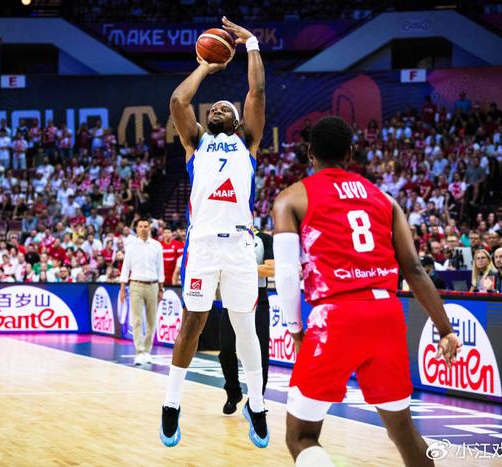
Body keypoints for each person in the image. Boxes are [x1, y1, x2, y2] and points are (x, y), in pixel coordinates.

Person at [272, 116, 461, 466]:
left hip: (336, 316)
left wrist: (295, 330)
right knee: (403, 430)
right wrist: (445, 329)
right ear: (350, 153)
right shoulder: (384, 199)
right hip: (386, 313)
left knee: (301, 436)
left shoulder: (291, 198)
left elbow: (285, 273)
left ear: (309, 153)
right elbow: (414, 270)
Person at [160, 16, 268, 448]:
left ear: (239, 122)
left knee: (245, 327)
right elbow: (177, 100)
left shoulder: (248, 143)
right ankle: (171, 403)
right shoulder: (196, 142)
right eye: (214, 109)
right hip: (203, 244)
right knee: (193, 321)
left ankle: (257, 403)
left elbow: (257, 92)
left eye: (226, 108)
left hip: (240, 244)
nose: (217, 109)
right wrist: (205, 66)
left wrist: (252, 43)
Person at [218, 228, 273, 414]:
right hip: (232, 295)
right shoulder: (228, 237)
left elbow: (270, 269)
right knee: (226, 348)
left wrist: (239, 269)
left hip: (258, 296)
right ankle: (233, 392)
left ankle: (257, 399)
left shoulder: (264, 239)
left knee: (261, 350)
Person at [119, 218, 164, 365]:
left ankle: (147, 351)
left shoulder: (157, 246)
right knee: (137, 320)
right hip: (135, 285)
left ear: (149, 228)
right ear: (137, 229)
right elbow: (125, 267)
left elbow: (160, 268)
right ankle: (139, 351)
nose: (143, 228)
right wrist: (122, 288)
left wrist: (161, 288)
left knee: (151, 320)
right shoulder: (131, 247)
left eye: (146, 226)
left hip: (153, 285)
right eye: (140, 226)